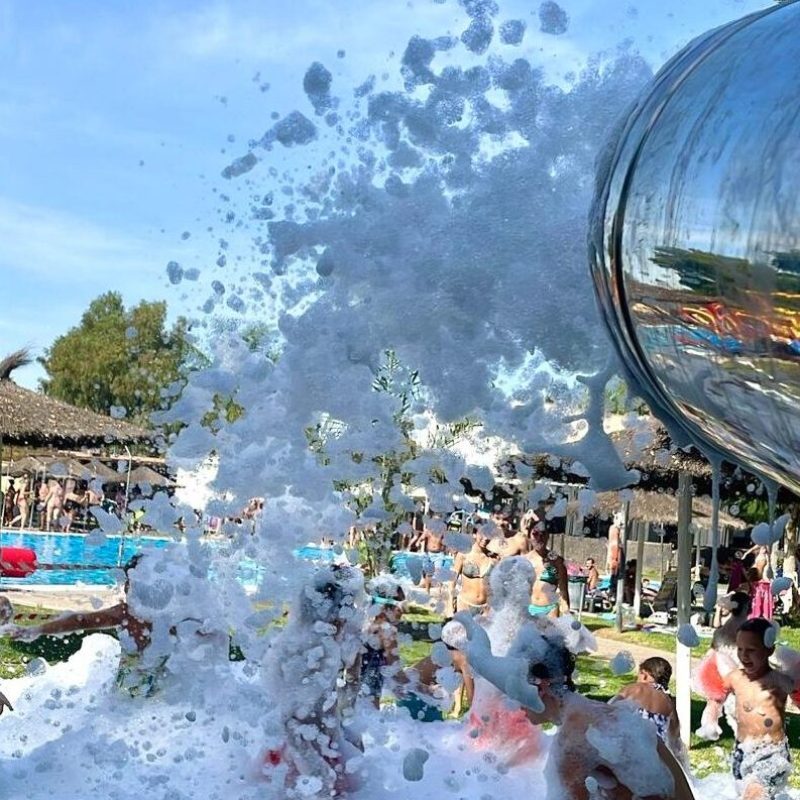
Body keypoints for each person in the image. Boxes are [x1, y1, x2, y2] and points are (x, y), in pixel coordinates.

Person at [458, 616, 694, 800]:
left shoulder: (573, 738)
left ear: (540, 687)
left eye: (515, 693)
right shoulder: (605, 713)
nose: (515, 705)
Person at [719, 618, 793, 800]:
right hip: (742, 751)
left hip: (771, 752)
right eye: (740, 649)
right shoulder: (735, 678)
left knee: (753, 795)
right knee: (748, 792)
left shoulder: (779, 680)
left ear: (769, 650)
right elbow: (716, 695)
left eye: (751, 650)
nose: (744, 656)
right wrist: (710, 716)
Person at [612, 657, 688, 769]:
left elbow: (607, 710)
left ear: (644, 675)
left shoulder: (634, 689)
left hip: (626, 750)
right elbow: (675, 740)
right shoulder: (669, 703)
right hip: (653, 758)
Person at [695, 591, 752, 741]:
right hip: (737, 665)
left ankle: (709, 726)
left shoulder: (725, 627)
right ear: (746, 607)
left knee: (714, 700)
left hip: (719, 664)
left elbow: (715, 645)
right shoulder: (746, 628)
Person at [360, 579, 404, 708]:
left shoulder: (368, 625)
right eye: (399, 605)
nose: (403, 610)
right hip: (370, 698)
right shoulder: (387, 632)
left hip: (357, 692)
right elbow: (395, 670)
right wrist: (426, 690)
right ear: (385, 607)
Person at [526, 525, 570, 617]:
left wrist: (566, 613)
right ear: (529, 537)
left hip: (550, 608)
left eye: (543, 534)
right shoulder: (524, 560)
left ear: (548, 536)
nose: (539, 537)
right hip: (528, 608)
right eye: (535, 534)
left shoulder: (557, 561)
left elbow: (563, 590)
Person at [450, 529, 495, 616]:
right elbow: (452, 581)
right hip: (465, 604)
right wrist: (450, 604)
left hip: (486, 609)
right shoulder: (463, 555)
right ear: (474, 534)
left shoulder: (494, 558)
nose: (485, 538)